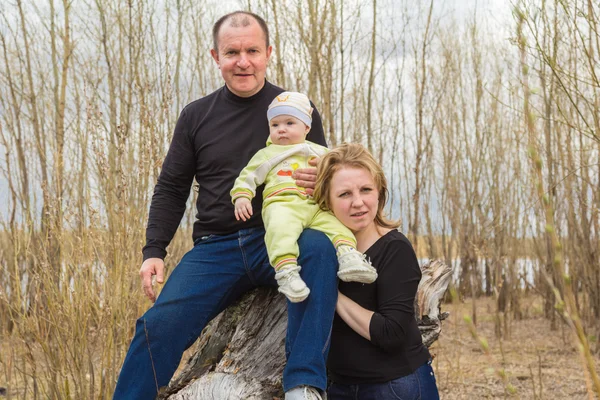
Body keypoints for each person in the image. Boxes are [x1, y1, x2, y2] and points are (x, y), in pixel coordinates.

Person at [114, 11, 335, 400]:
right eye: (232, 52)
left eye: (252, 50)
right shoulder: (196, 115)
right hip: (216, 249)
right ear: (216, 56)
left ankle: (303, 384)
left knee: (319, 250)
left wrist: (324, 182)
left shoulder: (296, 109)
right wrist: (154, 251)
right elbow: (171, 188)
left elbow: (330, 172)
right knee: (157, 325)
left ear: (268, 52)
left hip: (280, 236)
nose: (243, 61)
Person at [313, 143, 440, 400]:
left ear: (380, 193)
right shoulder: (324, 249)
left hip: (395, 387)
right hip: (340, 387)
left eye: (366, 190)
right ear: (326, 199)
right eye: (345, 194)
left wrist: (329, 291)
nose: (358, 202)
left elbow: (392, 333)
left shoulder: (395, 248)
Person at [231, 91, 377, 303]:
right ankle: (286, 271)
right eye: (275, 125)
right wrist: (242, 197)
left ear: (306, 127)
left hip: (315, 206)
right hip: (283, 204)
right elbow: (248, 176)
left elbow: (339, 171)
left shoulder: (320, 152)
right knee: (280, 231)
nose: (281, 129)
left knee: (337, 226)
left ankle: (349, 256)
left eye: (290, 123)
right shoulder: (267, 154)